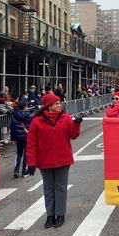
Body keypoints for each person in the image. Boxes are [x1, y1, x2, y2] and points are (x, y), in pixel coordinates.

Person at [27, 93, 82, 228]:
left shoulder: (66, 118)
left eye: (59, 103)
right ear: (48, 106)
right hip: (45, 160)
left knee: (61, 188)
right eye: (56, 103)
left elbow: (73, 135)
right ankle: (50, 215)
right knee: (48, 189)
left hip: (63, 160)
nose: (59, 105)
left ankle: (60, 214)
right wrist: (31, 162)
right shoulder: (37, 121)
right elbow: (31, 143)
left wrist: (76, 124)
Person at [10, 100, 33, 178]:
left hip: (18, 136)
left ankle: (16, 170)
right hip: (27, 136)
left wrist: (12, 138)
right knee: (26, 153)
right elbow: (31, 127)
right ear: (25, 106)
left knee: (19, 153)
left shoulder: (15, 115)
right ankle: (24, 171)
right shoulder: (29, 115)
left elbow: (12, 127)